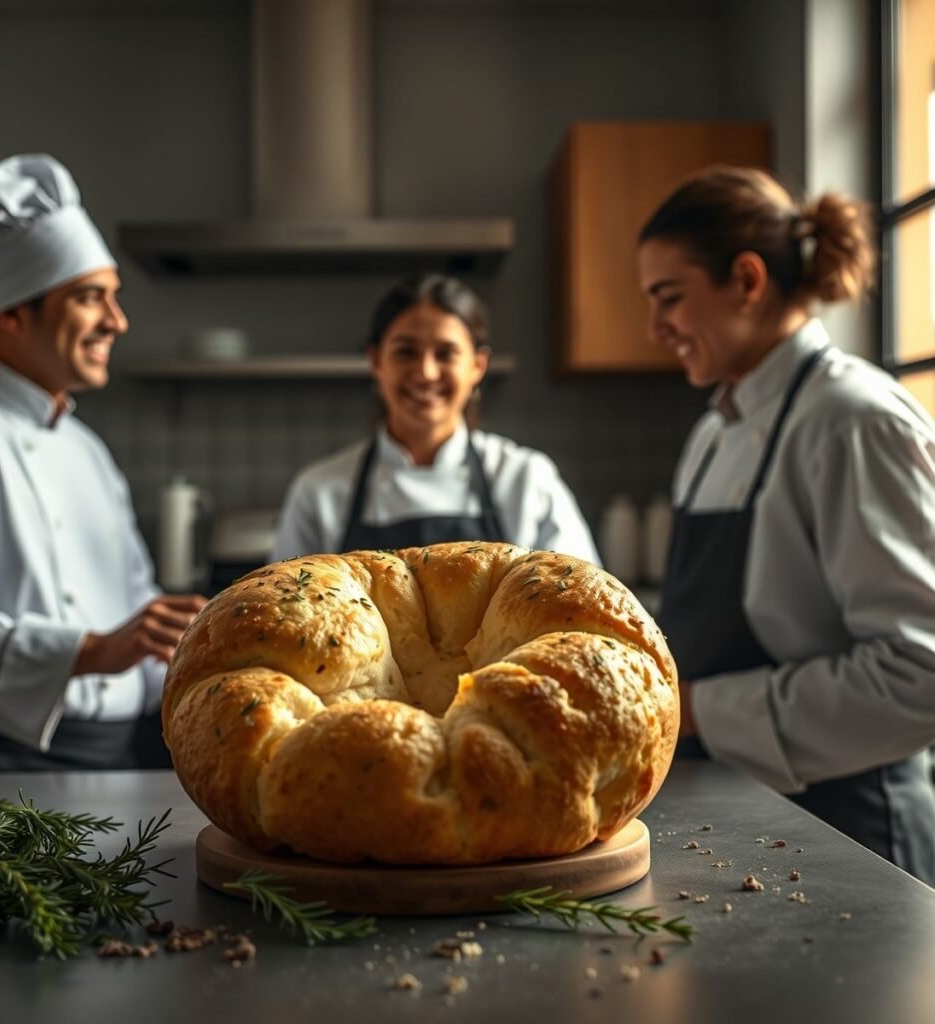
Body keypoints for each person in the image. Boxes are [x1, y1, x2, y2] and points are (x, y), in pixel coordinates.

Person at [637, 164, 935, 883]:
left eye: (669, 298)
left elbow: (920, 675)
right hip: (742, 823)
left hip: (857, 837)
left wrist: (701, 709)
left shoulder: (854, 421)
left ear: (747, 279)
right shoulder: (713, 432)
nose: (656, 328)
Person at [0, 153, 206, 771]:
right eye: (91, 299)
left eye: (114, 298)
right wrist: (90, 650)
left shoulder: (85, 447)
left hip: (116, 755)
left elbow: (135, 604)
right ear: (12, 314)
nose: (117, 321)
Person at [271, 274, 598, 561]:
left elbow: (578, 601)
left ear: (477, 366)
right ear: (376, 361)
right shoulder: (319, 493)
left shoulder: (526, 480)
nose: (426, 372)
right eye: (406, 352)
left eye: (446, 353)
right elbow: (284, 606)